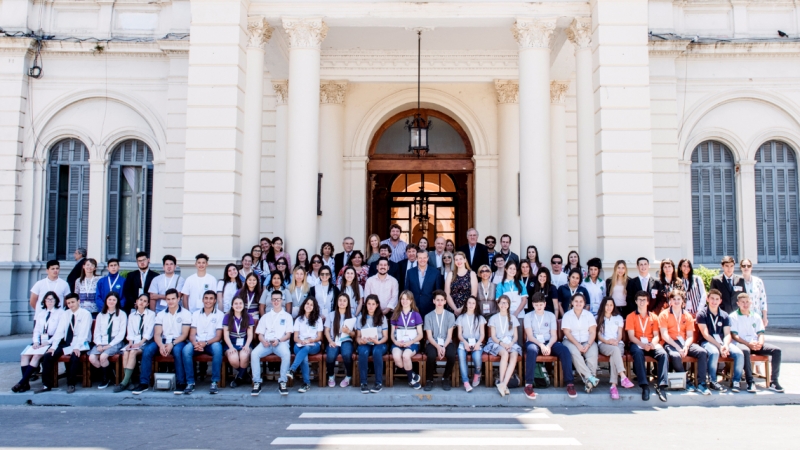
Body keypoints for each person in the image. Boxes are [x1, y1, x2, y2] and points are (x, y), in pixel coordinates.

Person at [132, 288, 191, 395]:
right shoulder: (161, 314)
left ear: (178, 299)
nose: (171, 301)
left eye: (173, 298)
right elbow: (157, 334)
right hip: (163, 340)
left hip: (178, 341)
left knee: (178, 352)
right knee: (147, 350)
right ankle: (144, 383)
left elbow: (184, 335)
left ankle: (181, 382)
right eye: (168, 299)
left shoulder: (186, 313)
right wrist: (161, 345)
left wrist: (172, 344)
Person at [522, 292, 576, 400]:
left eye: (541, 305)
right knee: (531, 350)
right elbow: (530, 336)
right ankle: (528, 384)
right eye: (536, 305)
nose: (539, 307)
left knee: (564, 350)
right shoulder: (528, 316)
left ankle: (570, 383)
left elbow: (554, 336)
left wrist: (548, 346)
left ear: (545, 304)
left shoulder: (550, 315)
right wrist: (541, 345)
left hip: (549, 341)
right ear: (533, 304)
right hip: (534, 342)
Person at [658, 290, 710, 395]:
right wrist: (677, 347)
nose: (676, 301)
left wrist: (686, 346)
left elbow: (690, 336)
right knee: (675, 355)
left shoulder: (687, 315)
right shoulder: (664, 314)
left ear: (683, 301)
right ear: (670, 301)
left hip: (685, 342)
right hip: (671, 342)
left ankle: (702, 384)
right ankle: (686, 381)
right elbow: (664, 335)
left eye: (679, 299)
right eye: (674, 299)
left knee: (702, 352)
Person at [39, 293, 92, 393]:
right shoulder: (66, 314)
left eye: (73, 302)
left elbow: (84, 333)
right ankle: (46, 384)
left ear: (78, 301)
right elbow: (59, 331)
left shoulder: (85, 314)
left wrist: (77, 347)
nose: (71, 305)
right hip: (67, 342)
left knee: (74, 356)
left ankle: (71, 384)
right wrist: (53, 347)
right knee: (48, 355)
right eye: (68, 303)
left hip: (81, 343)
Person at [730, 292, 783, 392]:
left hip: (755, 344)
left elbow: (761, 333)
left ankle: (774, 381)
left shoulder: (756, 316)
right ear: (738, 303)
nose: (745, 304)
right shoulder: (733, 316)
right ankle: (750, 382)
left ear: (750, 303)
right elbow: (735, 336)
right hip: (742, 344)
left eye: (747, 302)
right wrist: (748, 344)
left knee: (777, 350)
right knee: (745, 351)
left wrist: (760, 343)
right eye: (742, 302)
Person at [13, 291, 63, 393]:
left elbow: (60, 332)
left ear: (56, 301)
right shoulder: (42, 313)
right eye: (47, 299)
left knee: (36, 356)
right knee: (24, 355)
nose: (49, 302)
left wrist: (48, 342)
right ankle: (25, 384)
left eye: (52, 299)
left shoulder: (60, 313)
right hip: (40, 340)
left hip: (52, 341)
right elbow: (36, 330)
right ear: (44, 301)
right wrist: (36, 341)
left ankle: (21, 382)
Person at [626, 290, 669, 402]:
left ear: (648, 302)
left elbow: (656, 336)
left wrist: (652, 344)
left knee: (663, 354)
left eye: (644, 300)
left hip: (651, 343)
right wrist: (642, 344)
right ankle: (644, 386)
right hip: (637, 343)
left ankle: (662, 386)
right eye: (639, 300)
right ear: (636, 301)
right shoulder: (631, 316)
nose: (642, 302)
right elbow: (631, 337)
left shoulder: (654, 317)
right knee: (638, 353)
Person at [696, 289, 741, 392]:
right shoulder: (702, 314)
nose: (714, 301)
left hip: (722, 343)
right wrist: (719, 346)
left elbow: (727, 334)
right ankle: (713, 381)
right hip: (707, 342)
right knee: (714, 352)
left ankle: (736, 381)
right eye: (712, 298)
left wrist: (725, 345)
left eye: (717, 299)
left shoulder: (725, 315)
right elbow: (706, 335)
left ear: (720, 301)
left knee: (739, 353)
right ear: (707, 299)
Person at [250, 290, 293, 396]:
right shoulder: (265, 316)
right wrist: (263, 341)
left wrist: (279, 340)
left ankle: (282, 381)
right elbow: (259, 334)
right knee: (254, 354)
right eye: (274, 299)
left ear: (282, 300)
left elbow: (288, 335)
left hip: (281, 343)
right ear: (271, 301)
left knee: (286, 354)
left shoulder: (287, 316)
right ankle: (257, 382)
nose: (276, 301)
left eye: (278, 299)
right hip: (266, 343)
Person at [181, 290, 224, 394]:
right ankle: (190, 382)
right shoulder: (195, 314)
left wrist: (206, 343)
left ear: (214, 301)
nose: (208, 301)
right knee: (186, 350)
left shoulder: (220, 314)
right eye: (206, 298)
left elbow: (218, 336)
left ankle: (214, 382)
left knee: (218, 349)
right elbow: (192, 334)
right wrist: (195, 343)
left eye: (211, 298)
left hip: (211, 343)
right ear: (202, 300)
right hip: (197, 342)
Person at [114, 293, 156, 392]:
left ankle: (124, 383)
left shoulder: (151, 314)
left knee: (133, 352)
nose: (142, 302)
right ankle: (129, 381)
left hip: (145, 342)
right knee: (126, 352)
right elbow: (130, 331)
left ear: (147, 304)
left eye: (145, 301)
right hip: (134, 342)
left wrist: (140, 343)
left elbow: (149, 332)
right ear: (136, 302)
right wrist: (130, 343)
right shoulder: (132, 315)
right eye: (140, 300)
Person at [595, 297, 635, 399]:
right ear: (603, 306)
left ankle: (613, 386)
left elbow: (620, 334)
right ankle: (622, 376)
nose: (609, 307)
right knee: (615, 351)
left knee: (615, 353)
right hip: (604, 344)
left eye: (611, 305)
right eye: (607, 305)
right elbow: (599, 336)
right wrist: (608, 341)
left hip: (618, 344)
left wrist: (616, 341)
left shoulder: (618, 318)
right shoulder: (598, 318)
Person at [561, 293, 600, 393]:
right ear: (572, 302)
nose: (578, 303)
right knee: (574, 353)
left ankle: (589, 382)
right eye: (576, 301)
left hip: (587, 341)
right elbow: (567, 332)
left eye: (581, 301)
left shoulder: (589, 315)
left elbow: (592, 332)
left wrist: (588, 344)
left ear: (584, 303)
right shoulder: (567, 315)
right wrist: (578, 345)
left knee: (592, 354)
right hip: (570, 341)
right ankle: (590, 377)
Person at [88, 292, 128, 388]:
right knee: (92, 358)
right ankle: (110, 375)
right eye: (109, 299)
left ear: (117, 301)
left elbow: (121, 334)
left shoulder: (122, 314)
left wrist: (109, 345)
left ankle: (105, 379)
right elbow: (96, 332)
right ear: (106, 301)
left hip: (115, 342)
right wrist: (98, 344)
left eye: (114, 300)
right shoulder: (101, 315)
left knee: (103, 357)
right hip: (101, 341)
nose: (111, 301)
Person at [484, 294, 521, 397]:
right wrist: (502, 344)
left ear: (509, 305)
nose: (503, 305)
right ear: (498, 304)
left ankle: (504, 384)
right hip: (498, 342)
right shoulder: (494, 318)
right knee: (505, 354)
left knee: (514, 355)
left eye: (506, 303)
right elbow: (494, 336)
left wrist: (511, 343)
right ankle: (501, 381)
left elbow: (515, 336)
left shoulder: (513, 318)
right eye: (501, 302)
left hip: (510, 342)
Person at [422, 290, 457, 391]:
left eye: (442, 300)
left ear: (445, 302)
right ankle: (429, 380)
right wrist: (438, 347)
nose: (440, 302)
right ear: (434, 301)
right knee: (432, 355)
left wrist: (443, 347)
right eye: (437, 300)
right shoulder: (428, 316)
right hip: (432, 342)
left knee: (451, 355)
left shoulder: (450, 316)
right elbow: (429, 336)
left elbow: (449, 335)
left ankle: (445, 378)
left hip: (446, 342)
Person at [287, 297, 323, 393]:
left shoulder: (318, 319)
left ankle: (292, 369)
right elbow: (295, 338)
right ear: (304, 305)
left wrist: (312, 340)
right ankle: (306, 384)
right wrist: (301, 341)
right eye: (307, 303)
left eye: (311, 305)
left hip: (314, 345)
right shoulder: (299, 319)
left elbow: (319, 337)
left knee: (307, 348)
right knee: (304, 357)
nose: (309, 306)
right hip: (299, 345)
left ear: (314, 307)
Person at [390, 291, 424, 390]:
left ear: (411, 301)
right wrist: (395, 342)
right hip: (398, 343)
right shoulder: (395, 314)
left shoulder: (416, 315)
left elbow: (420, 334)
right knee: (396, 357)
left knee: (405, 356)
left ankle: (411, 380)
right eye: (402, 299)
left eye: (407, 299)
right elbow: (392, 333)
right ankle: (411, 374)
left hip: (412, 343)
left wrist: (410, 342)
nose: (404, 301)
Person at [356, 294, 389, 393]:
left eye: (373, 304)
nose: (370, 306)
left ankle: (378, 383)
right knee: (363, 352)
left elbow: (385, 336)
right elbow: (357, 336)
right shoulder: (361, 318)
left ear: (377, 305)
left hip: (379, 343)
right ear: (365, 305)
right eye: (369, 304)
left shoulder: (382, 318)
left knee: (377, 352)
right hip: (365, 343)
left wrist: (378, 341)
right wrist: (360, 341)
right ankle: (363, 383)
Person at [325, 293, 356, 388]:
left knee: (346, 354)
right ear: (337, 302)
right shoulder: (331, 315)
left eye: (344, 300)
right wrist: (330, 341)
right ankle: (331, 375)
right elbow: (326, 330)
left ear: (348, 303)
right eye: (340, 300)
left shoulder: (352, 315)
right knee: (330, 356)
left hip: (346, 340)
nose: (342, 303)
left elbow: (355, 334)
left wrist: (349, 332)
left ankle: (348, 376)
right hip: (334, 339)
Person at [456, 296, 485, 392]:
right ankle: (466, 382)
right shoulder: (461, 317)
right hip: (464, 341)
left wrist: (478, 344)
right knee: (461, 356)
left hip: (476, 341)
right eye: (469, 302)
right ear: (466, 304)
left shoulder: (480, 318)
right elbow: (459, 334)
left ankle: (477, 373)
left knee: (477, 357)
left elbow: (482, 334)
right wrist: (464, 343)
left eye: (473, 303)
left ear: (476, 305)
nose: (471, 305)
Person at [223, 296, 253, 388]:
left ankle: (238, 379)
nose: (238, 305)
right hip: (231, 342)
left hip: (244, 342)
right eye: (236, 303)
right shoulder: (227, 317)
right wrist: (231, 347)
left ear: (244, 305)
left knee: (244, 355)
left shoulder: (248, 316)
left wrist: (247, 345)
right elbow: (226, 335)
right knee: (233, 359)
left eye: (240, 303)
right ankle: (245, 374)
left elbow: (250, 334)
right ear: (232, 305)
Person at [406, 250, 444, 318]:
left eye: (424, 258)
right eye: (420, 258)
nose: (422, 260)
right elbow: (407, 291)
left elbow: (438, 292)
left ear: (427, 258)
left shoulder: (435, 272)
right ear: (416, 259)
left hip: (430, 308)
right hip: (413, 308)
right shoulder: (410, 272)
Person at [496, 261, 528, 326]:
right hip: (506, 315)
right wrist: (507, 313)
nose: (512, 270)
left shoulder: (521, 283)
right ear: (506, 269)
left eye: (514, 269)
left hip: (519, 315)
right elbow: (498, 301)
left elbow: (524, 300)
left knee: (519, 335)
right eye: (510, 268)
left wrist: (516, 313)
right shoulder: (500, 285)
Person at [445, 251, 477, 316]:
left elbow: (474, 294)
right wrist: (455, 309)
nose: (458, 261)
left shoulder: (472, 274)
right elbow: (447, 293)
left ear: (465, 260)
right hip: (452, 308)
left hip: (467, 308)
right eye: (456, 259)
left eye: (460, 259)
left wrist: (462, 308)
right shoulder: (451, 274)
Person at [740, 258, 768, 326]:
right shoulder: (737, 281)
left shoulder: (758, 281)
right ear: (741, 267)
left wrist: (765, 317)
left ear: (751, 267)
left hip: (756, 315)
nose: (746, 267)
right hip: (742, 315)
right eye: (744, 266)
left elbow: (763, 300)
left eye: (748, 266)